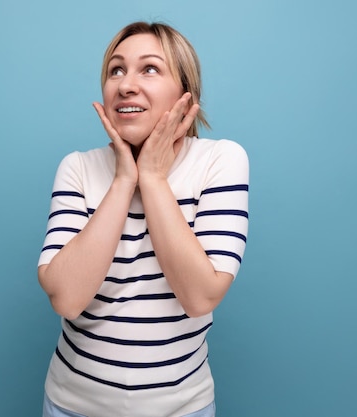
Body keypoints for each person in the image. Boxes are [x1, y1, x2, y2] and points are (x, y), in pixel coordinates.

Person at [37, 21, 249, 417]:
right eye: (116, 70)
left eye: (149, 69)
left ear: (187, 92)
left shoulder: (220, 161)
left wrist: (152, 178)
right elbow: (65, 297)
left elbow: (200, 296)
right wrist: (124, 180)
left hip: (181, 409)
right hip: (71, 407)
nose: (126, 85)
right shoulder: (78, 168)